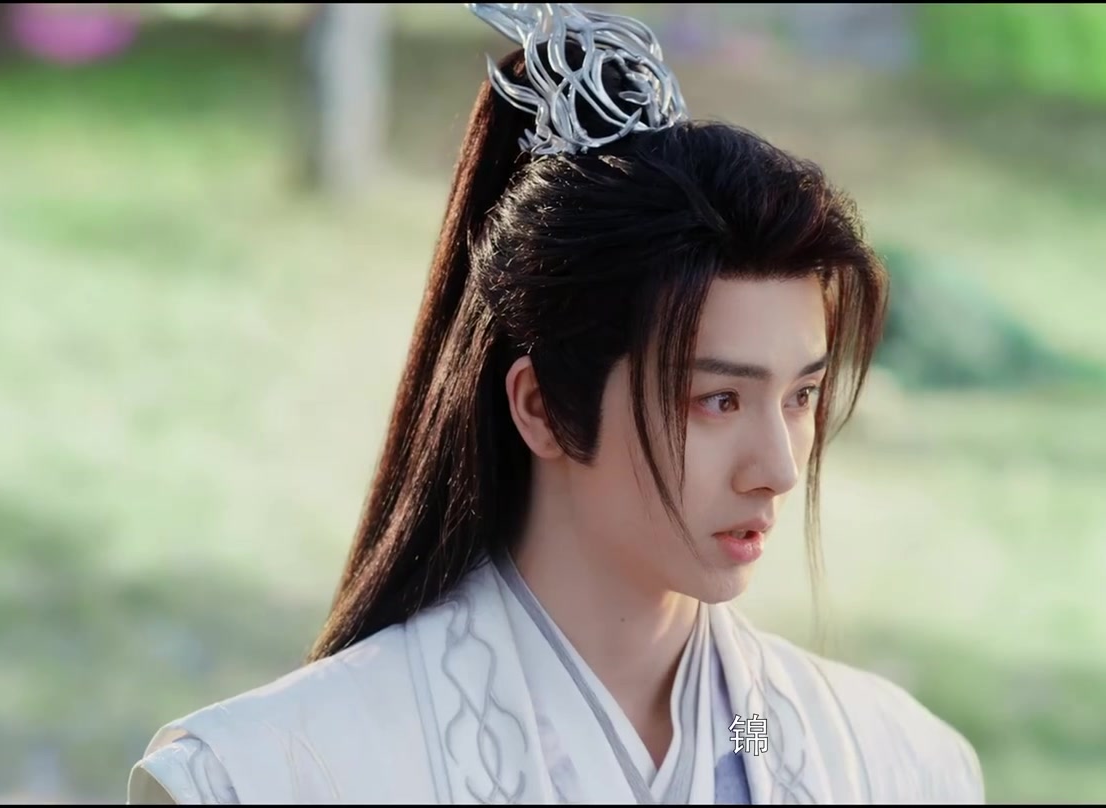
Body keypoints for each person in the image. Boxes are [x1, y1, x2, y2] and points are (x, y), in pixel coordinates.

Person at [126, 4, 984, 804]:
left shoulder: (898, 765)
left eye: (801, 395)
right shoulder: (270, 775)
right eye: (718, 401)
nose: (779, 469)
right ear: (541, 407)